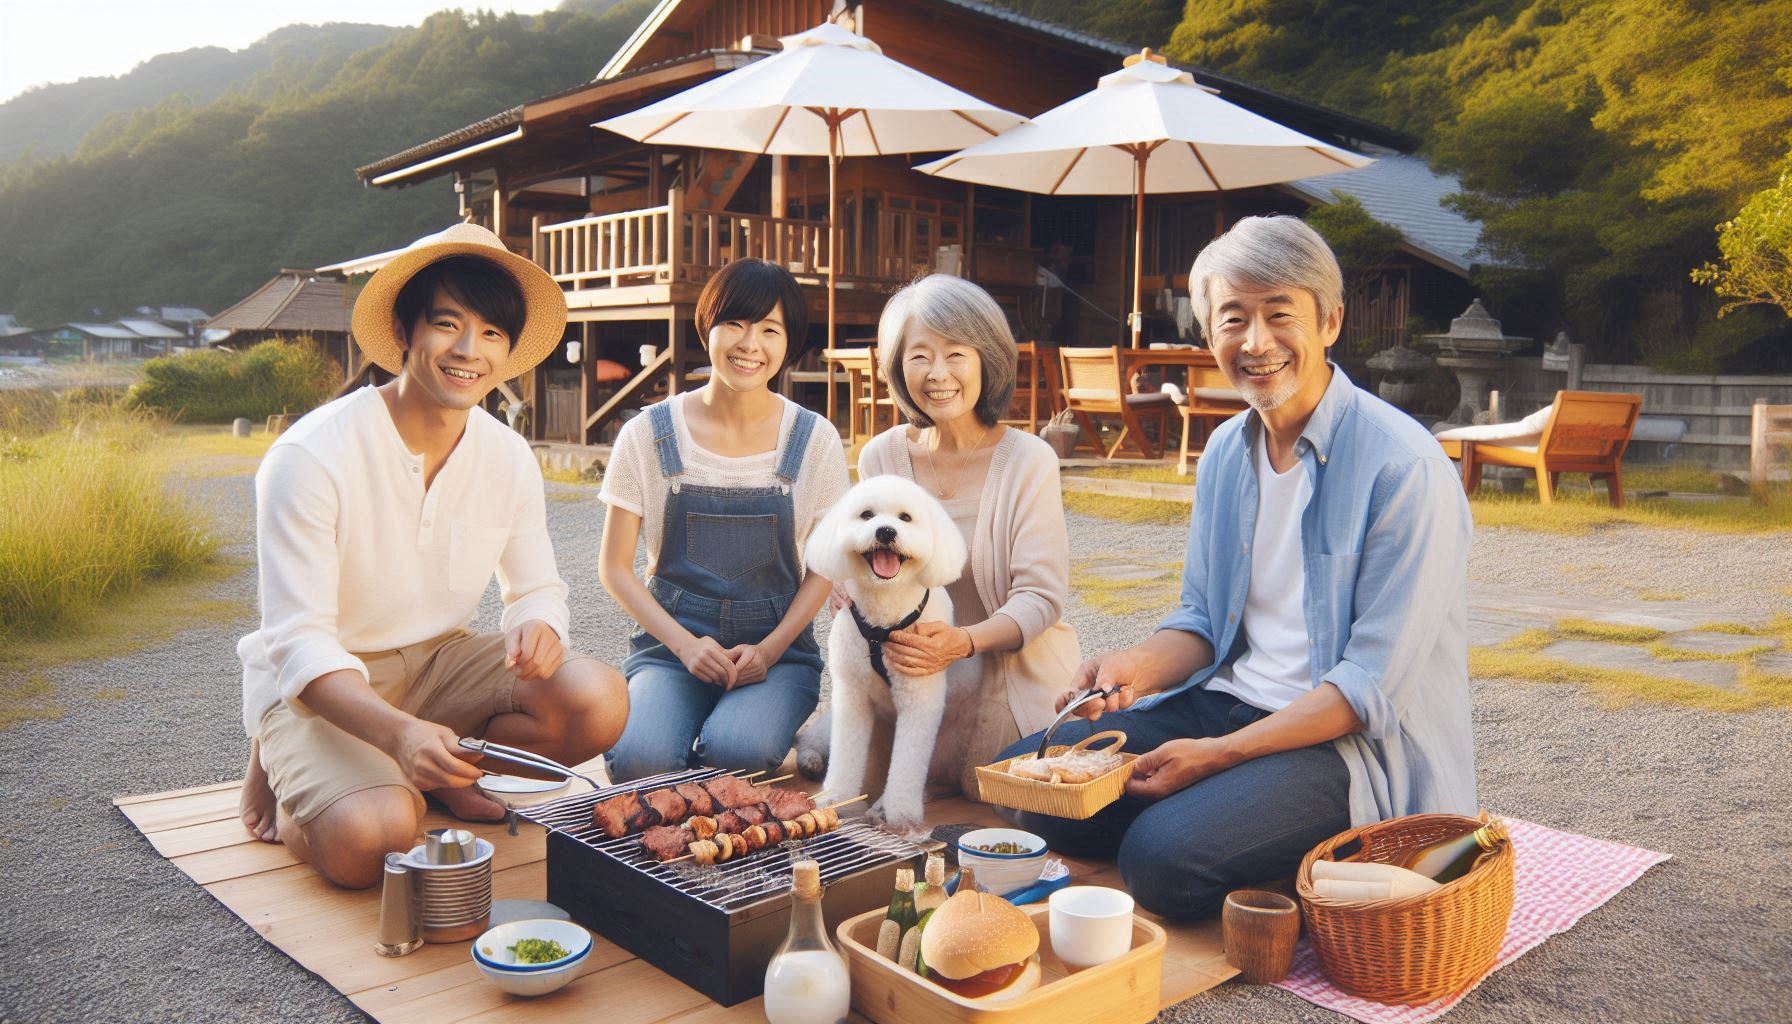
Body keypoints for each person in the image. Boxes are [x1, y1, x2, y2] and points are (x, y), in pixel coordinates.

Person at [996, 215, 1476, 919]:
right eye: (1233, 318)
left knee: (1160, 863)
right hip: (1230, 701)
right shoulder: (1227, 450)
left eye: (1280, 315)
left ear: (1330, 321)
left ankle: (1299, 852)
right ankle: (1234, 821)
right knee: (1031, 783)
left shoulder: (1402, 466)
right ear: (1208, 329)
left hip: (1347, 744)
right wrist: (1135, 665)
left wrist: (1218, 758)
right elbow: (1201, 621)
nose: (1255, 343)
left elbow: (1368, 689)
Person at [236, 223, 628, 889]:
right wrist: (395, 737)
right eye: (447, 325)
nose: (469, 350)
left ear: (506, 350)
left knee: (598, 698)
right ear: (405, 331)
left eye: (492, 333)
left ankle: (434, 780)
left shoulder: (505, 454)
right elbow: (298, 641)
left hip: (438, 663)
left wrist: (540, 624)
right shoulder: (310, 458)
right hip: (324, 687)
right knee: (375, 839)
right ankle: (293, 777)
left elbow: (537, 586)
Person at [797, 274, 1081, 795]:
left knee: (985, 788)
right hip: (900, 667)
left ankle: (827, 732)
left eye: (956, 354)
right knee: (855, 793)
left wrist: (961, 643)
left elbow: (1041, 596)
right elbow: (862, 548)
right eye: (919, 355)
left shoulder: (1028, 460)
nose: (937, 373)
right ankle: (829, 729)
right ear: (898, 366)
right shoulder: (880, 454)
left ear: (986, 359)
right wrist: (850, 585)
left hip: (1001, 664)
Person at [598, 258, 849, 781]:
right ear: (707, 327)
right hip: (672, 648)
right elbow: (615, 568)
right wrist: (686, 646)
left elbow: (825, 567)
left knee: (735, 753)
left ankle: (754, 721)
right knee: (639, 762)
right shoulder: (648, 433)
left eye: (770, 330)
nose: (749, 344)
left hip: (775, 657)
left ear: (789, 342)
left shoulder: (814, 439)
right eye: (734, 323)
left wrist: (769, 649)